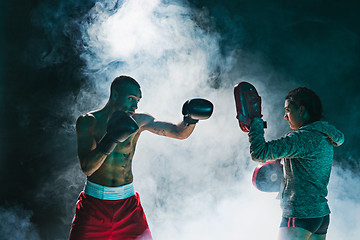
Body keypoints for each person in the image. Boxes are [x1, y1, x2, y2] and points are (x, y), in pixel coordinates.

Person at [69, 75, 213, 240]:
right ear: (114, 95)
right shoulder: (89, 121)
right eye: (131, 98)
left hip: (128, 208)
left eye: (138, 100)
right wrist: (111, 138)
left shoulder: (139, 121)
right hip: (94, 207)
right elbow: (88, 168)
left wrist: (190, 119)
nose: (135, 105)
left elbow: (178, 133)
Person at [247, 87, 344, 240]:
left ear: (301, 110)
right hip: (321, 216)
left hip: (300, 216)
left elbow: (259, 152)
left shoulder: (302, 138)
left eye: (288, 110)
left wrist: (255, 124)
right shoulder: (325, 136)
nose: (285, 116)